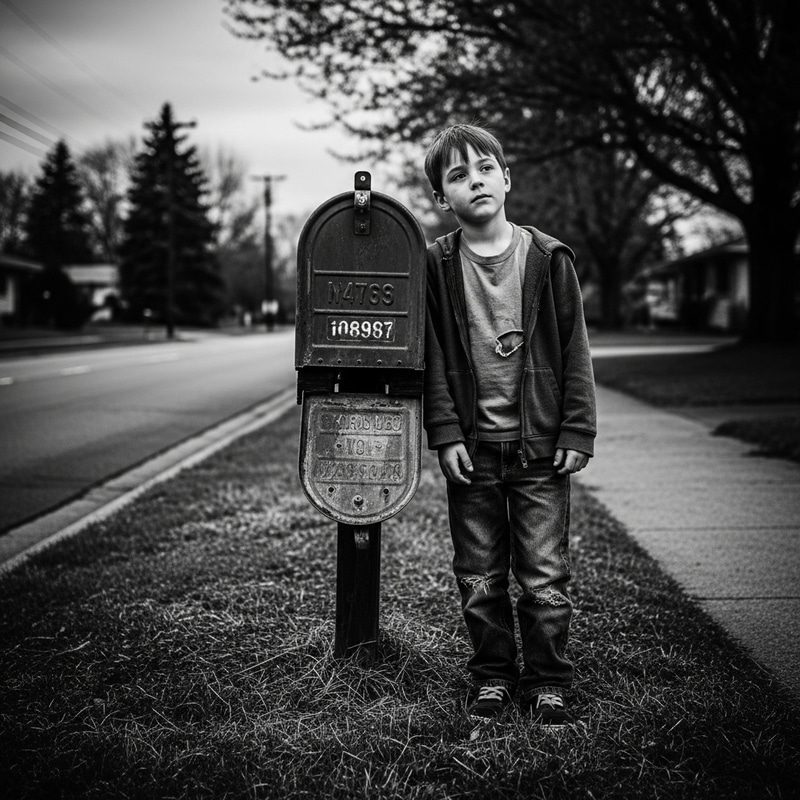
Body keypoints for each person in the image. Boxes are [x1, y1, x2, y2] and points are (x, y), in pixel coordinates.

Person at [422, 123, 596, 726]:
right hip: (472, 450)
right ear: (443, 198)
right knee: (478, 574)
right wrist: (444, 433)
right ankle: (493, 676)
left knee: (544, 574)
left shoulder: (549, 259)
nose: (476, 181)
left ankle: (548, 679)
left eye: (485, 168)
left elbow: (575, 350)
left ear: (506, 178)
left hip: (539, 450)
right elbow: (435, 357)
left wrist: (577, 431)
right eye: (458, 175)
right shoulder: (437, 265)